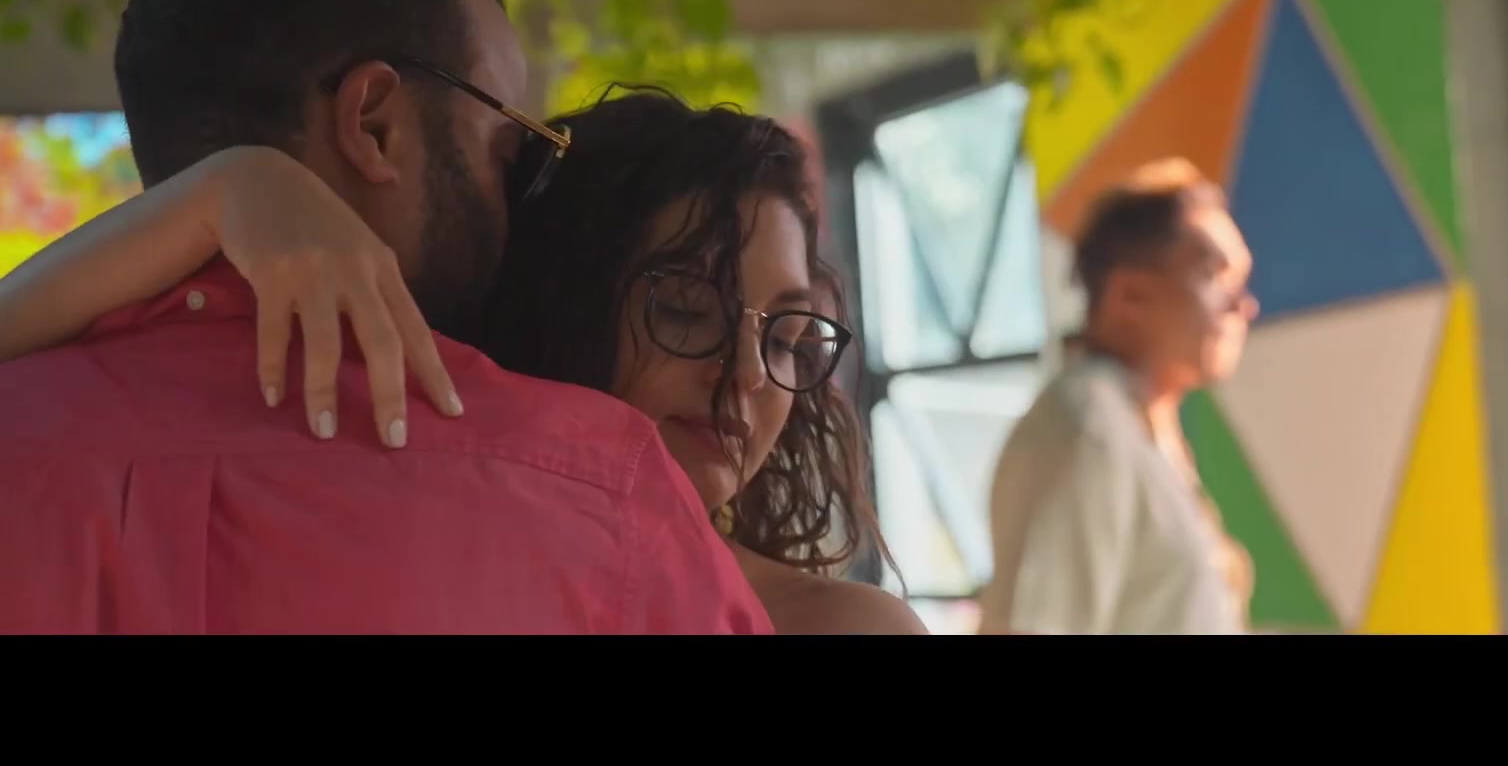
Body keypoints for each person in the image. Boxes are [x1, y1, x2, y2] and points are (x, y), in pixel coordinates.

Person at [0, 0, 769, 634]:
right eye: (509, 149)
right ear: (373, 125)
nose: (516, 196)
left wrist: (224, 190)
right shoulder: (604, 499)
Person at [0, 83, 927, 634]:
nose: (748, 377)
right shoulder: (412, 516)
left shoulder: (839, 624)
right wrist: (226, 192)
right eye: (686, 311)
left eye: (788, 335)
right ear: (563, 294)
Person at [977, 158, 1259, 635]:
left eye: (1240, 282)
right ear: (1128, 295)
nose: (1243, 306)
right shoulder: (1086, 427)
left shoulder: (1137, 427)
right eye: (1216, 276)